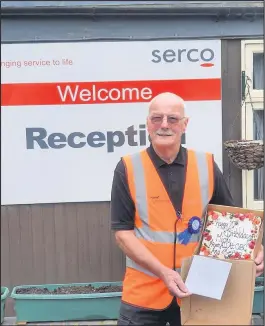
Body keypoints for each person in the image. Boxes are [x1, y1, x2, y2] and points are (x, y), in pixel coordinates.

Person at [110, 92, 264, 326]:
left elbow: (233, 221)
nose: (164, 125)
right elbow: (123, 233)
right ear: (147, 123)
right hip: (144, 294)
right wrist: (163, 272)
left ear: (185, 124)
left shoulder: (206, 164)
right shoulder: (127, 168)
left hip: (199, 291)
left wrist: (255, 249)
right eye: (156, 118)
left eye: (172, 119)